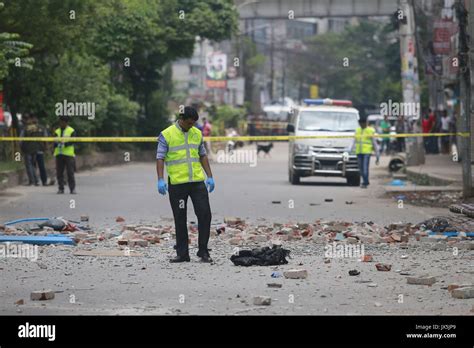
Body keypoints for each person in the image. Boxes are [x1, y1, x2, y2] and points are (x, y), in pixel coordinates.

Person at [156, 106, 215, 263]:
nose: (192, 126)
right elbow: (160, 157)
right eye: (189, 123)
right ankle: (182, 254)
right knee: (180, 218)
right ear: (181, 120)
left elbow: (202, 155)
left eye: (194, 123)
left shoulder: (197, 133)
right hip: (178, 185)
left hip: (197, 183)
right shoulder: (167, 134)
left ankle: (203, 251)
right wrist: (160, 179)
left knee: (205, 215)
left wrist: (210, 176)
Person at [349, 115, 380, 188]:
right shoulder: (357, 130)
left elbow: (374, 143)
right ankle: (366, 181)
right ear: (359, 123)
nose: (362, 125)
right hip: (359, 152)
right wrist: (348, 151)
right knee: (361, 168)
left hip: (367, 152)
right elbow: (353, 141)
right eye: (361, 124)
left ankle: (365, 182)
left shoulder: (370, 130)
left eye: (363, 123)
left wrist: (377, 155)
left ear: (366, 123)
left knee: (365, 168)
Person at [54, 116, 76, 194]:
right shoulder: (57, 131)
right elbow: (54, 141)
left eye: (62, 122)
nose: (60, 123)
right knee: (59, 172)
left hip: (68, 154)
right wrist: (56, 143)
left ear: (66, 122)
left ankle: (72, 189)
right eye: (60, 122)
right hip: (59, 154)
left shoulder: (71, 131)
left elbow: (73, 141)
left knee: (70, 172)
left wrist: (65, 144)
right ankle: (61, 188)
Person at [20, 116, 43, 186]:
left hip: (27, 149)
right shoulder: (37, 128)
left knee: (29, 165)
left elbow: (21, 139)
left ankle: (32, 181)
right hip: (36, 148)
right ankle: (36, 180)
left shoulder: (25, 129)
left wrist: (20, 148)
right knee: (33, 165)